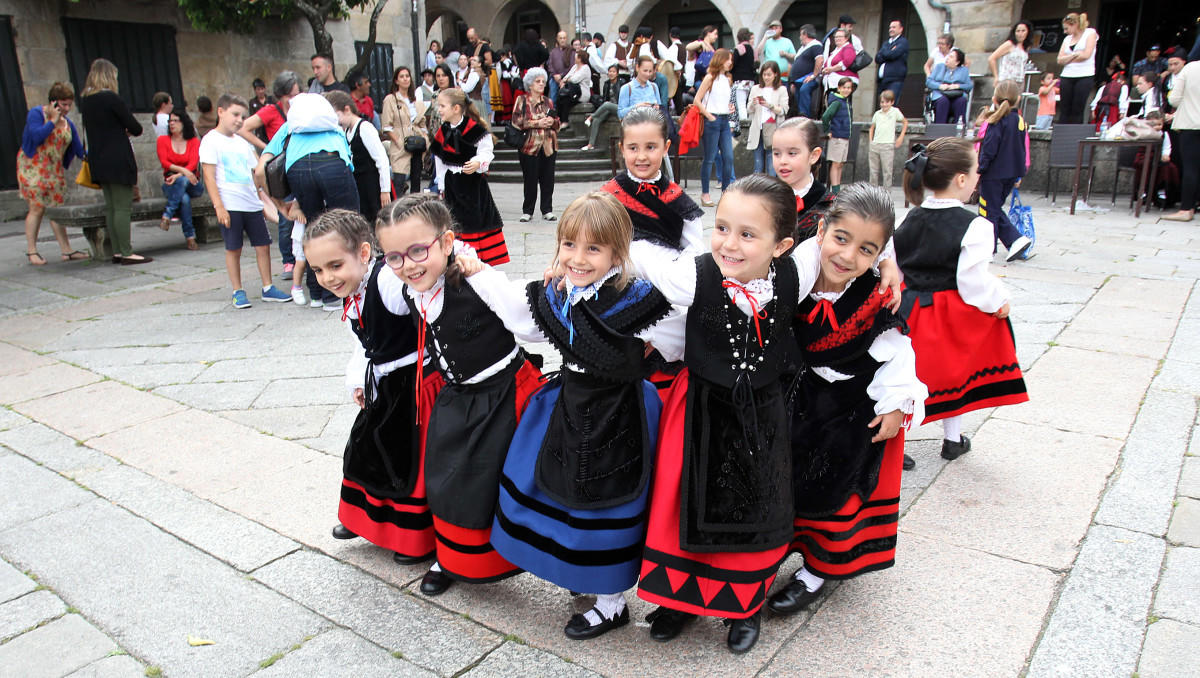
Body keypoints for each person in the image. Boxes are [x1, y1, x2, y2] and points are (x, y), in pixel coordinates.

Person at [632, 174, 900, 654]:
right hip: (697, 414)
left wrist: (889, 262)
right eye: (721, 227)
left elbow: (854, 231)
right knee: (682, 509)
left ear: (783, 245)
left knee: (758, 510)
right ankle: (681, 600)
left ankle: (745, 603)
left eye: (748, 234)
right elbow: (640, 257)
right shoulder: (696, 274)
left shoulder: (795, 270)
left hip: (764, 414)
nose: (730, 244)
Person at [454, 191, 677, 640]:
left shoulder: (640, 301)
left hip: (621, 415)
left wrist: (654, 355)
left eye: (593, 248)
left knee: (610, 501)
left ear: (618, 251)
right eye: (569, 245)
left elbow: (679, 337)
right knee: (564, 492)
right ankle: (582, 575)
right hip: (570, 405)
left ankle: (613, 603)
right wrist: (479, 272)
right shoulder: (558, 295)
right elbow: (522, 315)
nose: (578, 258)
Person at [766, 183, 925, 618]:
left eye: (866, 250)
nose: (848, 256)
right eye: (841, 239)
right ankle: (777, 548)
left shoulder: (877, 297)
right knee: (792, 479)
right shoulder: (796, 272)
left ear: (878, 256)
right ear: (821, 230)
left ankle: (818, 570)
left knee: (838, 490)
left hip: (851, 409)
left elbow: (899, 353)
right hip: (801, 400)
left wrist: (896, 405)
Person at [373, 193, 540, 596]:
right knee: (446, 480)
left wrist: (480, 268)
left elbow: (530, 321)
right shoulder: (411, 287)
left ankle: (545, 557)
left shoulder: (478, 280)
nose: (407, 265)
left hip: (504, 393)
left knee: (508, 481)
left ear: (446, 243)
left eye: (417, 251)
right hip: (457, 394)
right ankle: (450, 557)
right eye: (394, 257)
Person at [303, 208, 441, 565]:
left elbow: (429, 295)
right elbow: (363, 342)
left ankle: (411, 536)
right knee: (364, 448)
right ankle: (364, 520)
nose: (328, 277)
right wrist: (360, 376)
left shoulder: (387, 283)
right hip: (384, 380)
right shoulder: (354, 292)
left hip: (414, 382)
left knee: (405, 459)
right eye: (318, 270)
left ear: (364, 253)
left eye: (335, 265)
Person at [894, 138, 1029, 460]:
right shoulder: (976, 226)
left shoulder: (906, 220)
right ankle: (951, 439)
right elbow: (972, 281)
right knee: (958, 374)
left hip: (910, 309)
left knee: (905, 376)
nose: (978, 178)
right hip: (949, 313)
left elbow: (896, 272)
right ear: (961, 179)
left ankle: (898, 445)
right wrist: (999, 301)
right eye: (976, 171)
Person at [255, 92, 359, 310]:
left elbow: (259, 171)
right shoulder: (335, 130)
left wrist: (280, 204)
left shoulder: (289, 130)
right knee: (349, 227)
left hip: (299, 171)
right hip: (333, 165)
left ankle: (319, 295)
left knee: (313, 231)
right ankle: (352, 288)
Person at [200, 94, 290, 308]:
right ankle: (237, 290)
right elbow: (209, 176)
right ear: (220, 112)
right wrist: (219, 206)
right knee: (234, 248)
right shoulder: (211, 140)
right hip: (230, 204)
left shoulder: (242, 144)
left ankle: (268, 286)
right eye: (235, 114)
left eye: (243, 116)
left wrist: (269, 201)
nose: (240, 120)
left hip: (251, 203)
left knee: (263, 245)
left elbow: (256, 174)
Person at [78, 58, 151, 265]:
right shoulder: (111, 98)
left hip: (98, 159)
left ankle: (118, 251)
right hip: (117, 157)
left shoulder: (87, 100)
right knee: (122, 207)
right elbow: (135, 127)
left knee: (111, 206)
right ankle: (127, 251)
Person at [430, 87, 508, 264]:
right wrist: (441, 186)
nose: (439, 110)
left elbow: (487, 151)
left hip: (473, 186)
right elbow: (440, 162)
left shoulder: (475, 129)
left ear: (456, 108)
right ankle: (459, 257)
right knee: (455, 222)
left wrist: (478, 162)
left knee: (476, 222)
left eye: (442, 106)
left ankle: (481, 259)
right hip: (452, 186)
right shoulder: (443, 132)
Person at [239, 70, 302, 278]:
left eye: (297, 94)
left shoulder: (301, 110)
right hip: (279, 169)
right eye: (290, 95)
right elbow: (243, 129)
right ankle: (288, 261)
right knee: (285, 218)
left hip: (298, 165)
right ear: (281, 94)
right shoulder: (271, 111)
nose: (293, 99)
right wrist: (267, 147)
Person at [18, 81, 88, 266]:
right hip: (32, 166)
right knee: (37, 207)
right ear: (53, 102)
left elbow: (78, 149)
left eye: (68, 105)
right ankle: (32, 251)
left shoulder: (68, 123)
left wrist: (92, 159)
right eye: (63, 104)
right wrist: (52, 121)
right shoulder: (37, 114)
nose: (66, 108)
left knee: (56, 208)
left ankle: (67, 250)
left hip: (53, 170)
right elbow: (36, 136)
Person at [976, 80, 1034, 260]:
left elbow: (989, 149)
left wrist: (980, 169)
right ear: (1017, 100)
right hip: (1011, 173)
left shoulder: (996, 121)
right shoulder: (1019, 121)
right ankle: (1010, 242)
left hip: (993, 173)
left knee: (988, 210)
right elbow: (1022, 148)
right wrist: (1020, 172)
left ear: (994, 99)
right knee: (993, 208)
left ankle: (1000, 244)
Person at [326, 91, 390, 223]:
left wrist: (385, 190)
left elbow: (381, 159)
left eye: (337, 115)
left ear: (347, 109)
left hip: (372, 186)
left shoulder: (364, 128)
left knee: (376, 221)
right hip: (360, 187)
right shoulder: (347, 131)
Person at [512, 68, 561, 223]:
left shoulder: (548, 101)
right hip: (530, 145)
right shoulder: (522, 100)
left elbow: (558, 123)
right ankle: (528, 210)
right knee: (530, 179)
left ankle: (547, 209)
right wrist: (537, 122)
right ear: (530, 84)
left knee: (548, 179)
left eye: (543, 82)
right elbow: (517, 121)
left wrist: (552, 122)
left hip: (548, 145)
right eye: (537, 81)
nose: (541, 84)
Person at [773, 117, 834, 241]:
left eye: (792, 153)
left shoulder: (829, 206)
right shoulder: (763, 196)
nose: (782, 161)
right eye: (777, 154)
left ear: (813, 155)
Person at [156, 106, 205, 250]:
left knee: (183, 181)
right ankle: (190, 237)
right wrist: (182, 172)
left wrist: (179, 174)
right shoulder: (162, 140)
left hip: (193, 183)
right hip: (172, 183)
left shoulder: (194, 141)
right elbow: (164, 162)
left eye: (176, 121)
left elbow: (193, 163)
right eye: (170, 121)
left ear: (184, 123)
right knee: (184, 199)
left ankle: (168, 214)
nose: (172, 123)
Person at [694, 49, 736, 207]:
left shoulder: (727, 79)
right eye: (728, 59)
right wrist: (709, 115)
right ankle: (705, 193)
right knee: (709, 158)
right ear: (721, 60)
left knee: (729, 157)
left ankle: (726, 193)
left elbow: (723, 100)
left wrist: (729, 108)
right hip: (712, 119)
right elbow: (697, 99)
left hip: (724, 120)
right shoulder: (709, 77)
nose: (730, 62)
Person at [1162, 57, 1200, 221]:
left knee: (1191, 167)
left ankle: (1186, 209)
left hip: (1190, 123)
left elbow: (1174, 99)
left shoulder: (1190, 68)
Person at [381, 66, 428, 197]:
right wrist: (398, 141)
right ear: (396, 80)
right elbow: (386, 126)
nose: (405, 79)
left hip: (417, 143)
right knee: (399, 180)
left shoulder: (416, 101)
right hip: (400, 143)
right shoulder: (390, 99)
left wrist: (425, 138)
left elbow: (423, 123)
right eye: (401, 76)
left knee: (416, 179)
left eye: (407, 76)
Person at [747, 62, 789, 175]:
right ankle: (757, 189)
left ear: (775, 74)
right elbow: (749, 110)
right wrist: (753, 103)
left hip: (773, 128)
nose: (766, 77)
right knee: (758, 163)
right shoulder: (755, 89)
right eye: (764, 74)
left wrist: (769, 105)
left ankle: (772, 189)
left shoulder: (781, 90)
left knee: (772, 161)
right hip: (758, 128)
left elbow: (784, 110)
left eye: (769, 74)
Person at [1056, 13, 1098, 124]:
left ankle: (1073, 135)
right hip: (1067, 75)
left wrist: (1067, 59)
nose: (1065, 31)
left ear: (1074, 24)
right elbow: (1059, 60)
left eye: (1066, 28)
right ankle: (1061, 133)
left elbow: (1086, 55)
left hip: (1084, 74)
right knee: (1064, 108)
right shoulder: (1067, 39)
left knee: (1077, 108)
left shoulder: (1090, 33)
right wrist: (1074, 55)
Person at [869, 89, 907, 188]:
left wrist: (900, 137)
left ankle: (887, 193)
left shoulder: (895, 112)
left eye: (887, 102)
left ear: (892, 102)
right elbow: (872, 128)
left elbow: (905, 122)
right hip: (875, 144)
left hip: (888, 144)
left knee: (887, 171)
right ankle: (873, 193)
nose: (884, 105)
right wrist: (871, 141)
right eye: (882, 102)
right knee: (873, 171)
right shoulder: (877, 113)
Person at [822, 77, 854, 189]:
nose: (847, 90)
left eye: (849, 88)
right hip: (837, 137)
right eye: (844, 87)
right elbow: (826, 116)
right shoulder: (837, 102)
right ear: (839, 88)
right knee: (836, 163)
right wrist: (828, 131)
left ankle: (837, 187)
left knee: (840, 164)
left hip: (845, 137)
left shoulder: (846, 102)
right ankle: (835, 190)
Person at [582, 65, 624, 151]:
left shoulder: (622, 82)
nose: (611, 73)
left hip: (620, 107)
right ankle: (591, 144)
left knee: (606, 104)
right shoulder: (606, 83)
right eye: (610, 72)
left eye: (613, 72)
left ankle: (591, 117)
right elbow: (605, 98)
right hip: (608, 107)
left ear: (617, 73)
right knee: (597, 120)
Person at [927, 48, 972, 124]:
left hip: (956, 95)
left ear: (957, 62)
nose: (947, 58)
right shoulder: (939, 67)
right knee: (943, 101)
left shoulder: (963, 70)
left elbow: (969, 86)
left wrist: (957, 86)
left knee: (961, 101)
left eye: (951, 57)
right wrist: (939, 86)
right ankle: (940, 128)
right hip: (940, 94)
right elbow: (929, 82)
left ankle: (959, 127)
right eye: (948, 56)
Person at [791, 25, 824, 118]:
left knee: (804, 90)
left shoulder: (816, 45)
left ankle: (805, 114)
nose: (799, 37)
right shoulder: (802, 48)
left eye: (800, 34)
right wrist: (793, 82)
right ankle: (800, 115)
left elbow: (820, 60)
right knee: (798, 96)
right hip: (798, 80)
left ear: (805, 34)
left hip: (809, 77)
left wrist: (813, 75)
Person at [875, 19, 910, 102]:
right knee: (882, 105)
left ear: (901, 29)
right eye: (890, 27)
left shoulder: (903, 42)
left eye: (894, 27)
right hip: (882, 81)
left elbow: (892, 55)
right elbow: (877, 58)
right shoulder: (886, 43)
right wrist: (889, 51)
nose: (891, 29)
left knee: (890, 104)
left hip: (894, 80)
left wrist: (886, 52)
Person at [547, 30, 572, 101]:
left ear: (566, 39)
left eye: (564, 38)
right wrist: (555, 75)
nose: (562, 40)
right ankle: (553, 110)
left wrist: (561, 76)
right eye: (560, 38)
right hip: (555, 78)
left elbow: (572, 66)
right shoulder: (553, 52)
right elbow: (550, 65)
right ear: (557, 39)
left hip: (567, 78)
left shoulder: (571, 51)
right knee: (553, 96)